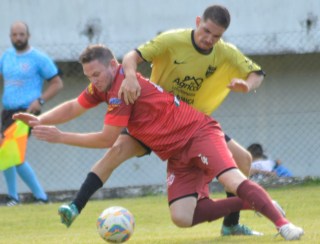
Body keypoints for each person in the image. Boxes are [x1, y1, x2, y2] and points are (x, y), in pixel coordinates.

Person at [14, 44, 303, 240]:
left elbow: (106, 139)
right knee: (182, 217)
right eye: (89, 76)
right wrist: (43, 120)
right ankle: (254, 203)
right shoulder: (103, 84)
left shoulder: (121, 90)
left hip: (197, 133)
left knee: (231, 177)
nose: (93, 80)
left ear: (113, 66)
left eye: (97, 74)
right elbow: (74, 106)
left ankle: (284, 225)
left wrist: (60, 137)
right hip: (175, 153)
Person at [57, 4, 265, 236]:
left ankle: (231, 225)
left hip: (189, 125)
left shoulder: (225, 52)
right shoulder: (172, 40)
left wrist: (248, 85)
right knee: (115, 152)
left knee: (244, 160)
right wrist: (131, 77)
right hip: (152, 117)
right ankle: (75, 205)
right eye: (206, 31)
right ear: (198, 21)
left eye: (216, 36)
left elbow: (256, 73)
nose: (209, 39)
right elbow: (131, 56)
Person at [0, 21, 63, 206]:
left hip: (26, 112)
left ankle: (38, 197)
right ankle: (18, 197)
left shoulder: (39, 58)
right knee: (5, 152)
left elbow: (57, 83)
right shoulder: (6, 57)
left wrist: (40, 101)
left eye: (21, 34)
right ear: (10, 37)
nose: (18, 38)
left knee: (12, 153)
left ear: (28, 35)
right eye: (14, 35)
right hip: (7, 111)